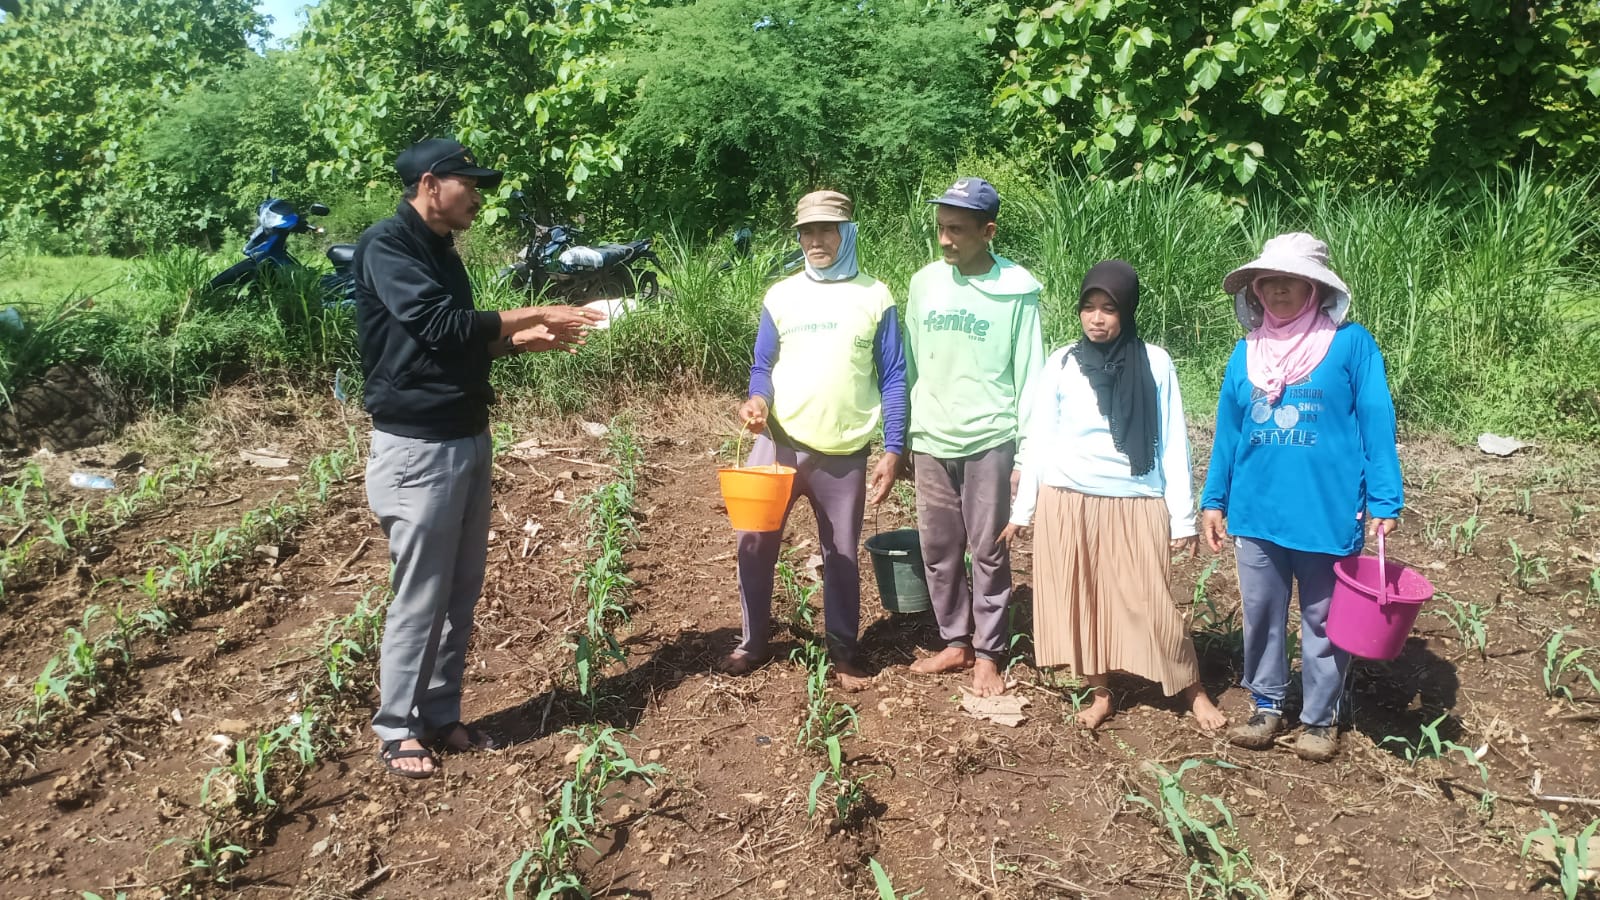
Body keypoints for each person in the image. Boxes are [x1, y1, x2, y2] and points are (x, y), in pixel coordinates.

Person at [356, 138, 605, 778]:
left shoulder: (441, 251)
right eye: (470, 183)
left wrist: (522, 341)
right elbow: (436, 323)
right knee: (420, 594)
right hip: (417, 448)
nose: (478, 195)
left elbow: (453, 345)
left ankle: (440, 715)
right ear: (432, 183)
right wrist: (538, 307)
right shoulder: (387, 243)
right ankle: (397, 728)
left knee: (460, 590)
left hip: (465, 436)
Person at [1200, 232, 1403, 763]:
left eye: (1291, 280)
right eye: (1269, 281)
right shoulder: (1247, 352)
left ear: (1314, 287)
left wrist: (1385, 499)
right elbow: (1228, 432)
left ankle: (1319, 718)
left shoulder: (1350, 343)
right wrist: (1213, 500)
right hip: (1256, 509)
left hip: (1326, 508)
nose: (1279, 289)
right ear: (1256, 290)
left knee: (1323, 618)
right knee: (1262, 612)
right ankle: (1266, 705)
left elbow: (1377, 422)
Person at [1000, 261, 1227, 731]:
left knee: (1153, 599)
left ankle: (1193, 690)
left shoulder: (1155, 361)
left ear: (1127, 311)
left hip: (1135, 499)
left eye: (1109, 308)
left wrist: (1182, 518)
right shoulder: (1062, 362)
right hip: (1068, 499)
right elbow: (1040, 437)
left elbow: (1174, 440)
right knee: (1085, 599)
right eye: (1089, 307)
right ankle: (1101, 692)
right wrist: (1023, 510)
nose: (1097, 318)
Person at [722, 190, 907, 689]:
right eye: (807, 231)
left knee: (841, 554)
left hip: (844, 451)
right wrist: (756, 399)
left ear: (848, 233)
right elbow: (763, 366)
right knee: (755, 542)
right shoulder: (782, 295)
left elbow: (892, 376)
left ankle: (844, 652)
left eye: (827, 230)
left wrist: (893, 448)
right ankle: (752, 641)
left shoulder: (876, 296)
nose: (816, 241)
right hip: (779, 442)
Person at [904, 177, 1044, 697]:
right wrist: (908, 434)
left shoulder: (1018, 290)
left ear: (988, 231)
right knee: (938, 547)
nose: (945, 241)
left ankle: (989, 652)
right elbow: (914, 362)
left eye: (957, 231)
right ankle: (955, 640)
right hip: (933, 437)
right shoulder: (923, 284)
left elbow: (1031, 373)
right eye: (940, 229)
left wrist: (1026, 452)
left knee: (988, 549)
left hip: (991, 437)